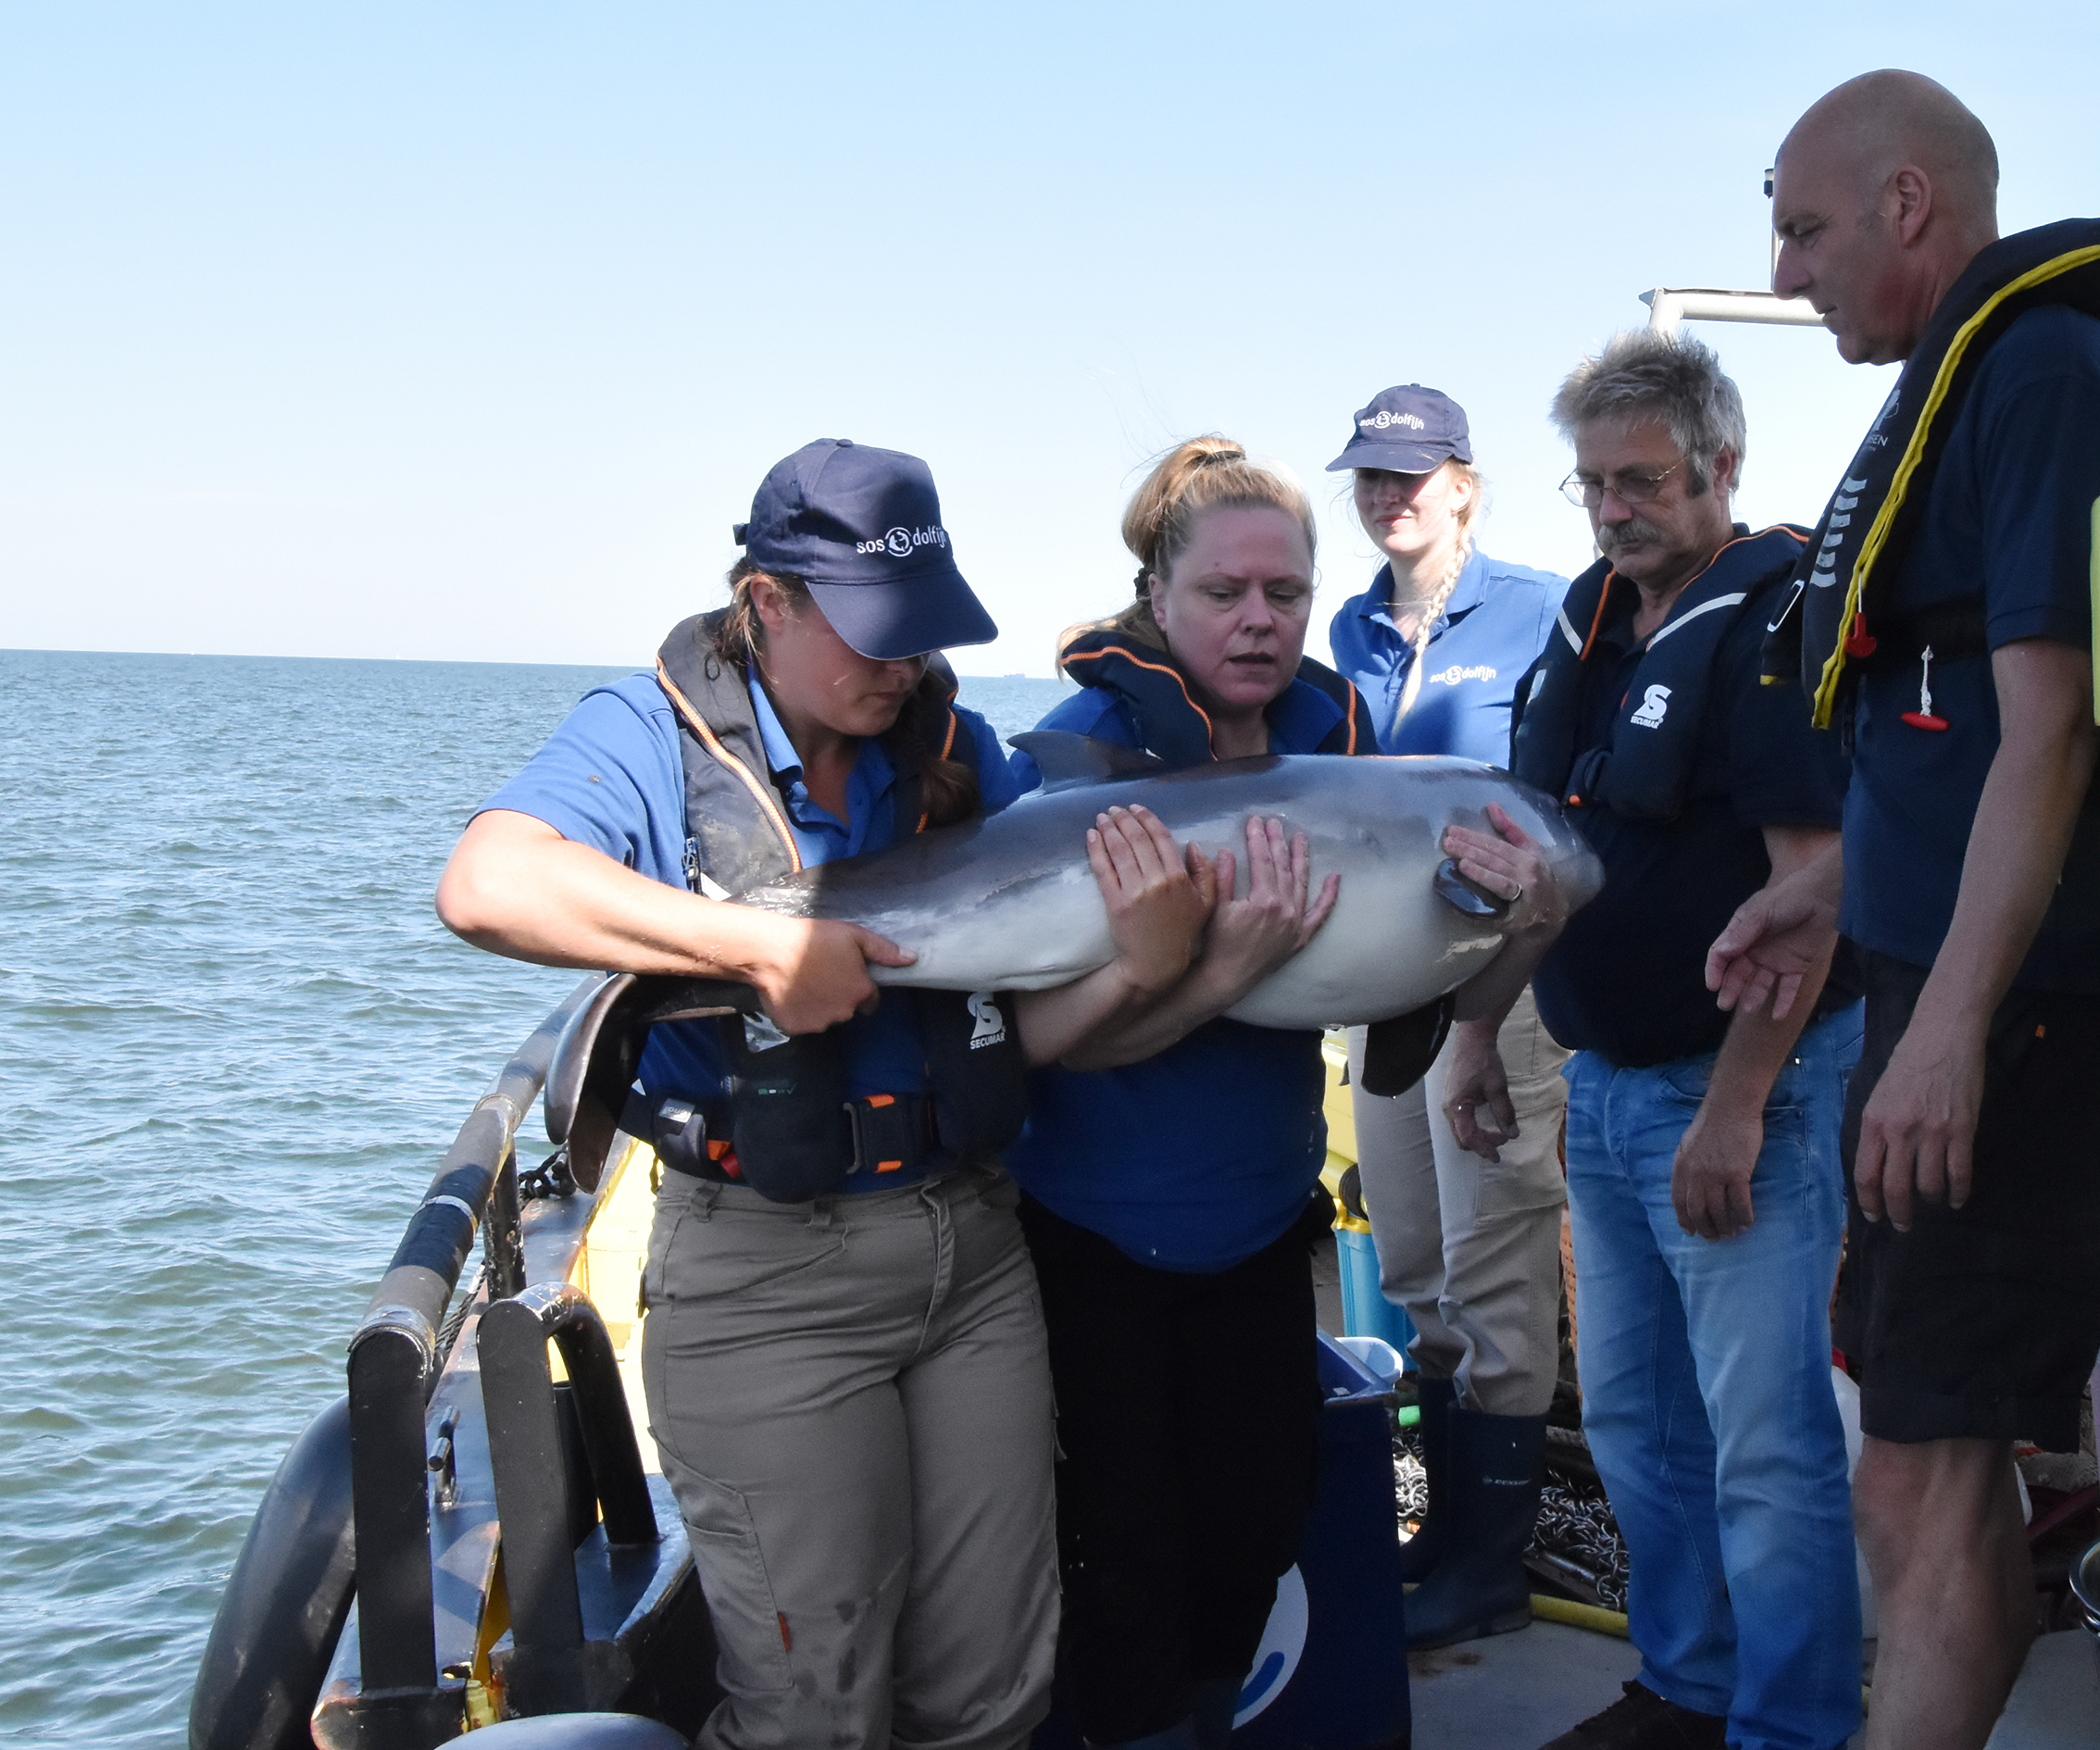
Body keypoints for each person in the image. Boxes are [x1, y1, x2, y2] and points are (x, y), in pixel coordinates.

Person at [434, 439, 1213, 1750]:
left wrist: (1151, 967)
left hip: (973, 1254)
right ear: (766, 600)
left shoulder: (960, 749)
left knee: (993, 1690)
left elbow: (1031, 1019)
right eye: (865, 632)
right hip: (767, 1274)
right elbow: (488, 883)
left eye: (918, 632)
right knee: (814, 1711)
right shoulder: (649, 733)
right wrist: (754, 946)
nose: (897, 665)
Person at [1724, 70, 2100, 1750]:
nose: (1785, 272)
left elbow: (2058, 726)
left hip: (2026, 1013)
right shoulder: (1968, 377)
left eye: (1803, 226)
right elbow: (1961, 732)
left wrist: (1949, 1033)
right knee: (1916, 1454)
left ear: (1910, 201)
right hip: (1953, 992)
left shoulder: (2044, 372)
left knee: (1922, 1472)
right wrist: (1829, 892)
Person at [1002, 436, 1571, 1750]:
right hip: (1092, 1221)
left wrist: (1510, 928)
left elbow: (1404, 995)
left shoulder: (1337, 732)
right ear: (1157, 593)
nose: (1261, 622)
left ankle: (1201, 1721)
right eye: (1224, 594)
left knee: (1258, 1519)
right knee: (1124, 1545)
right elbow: (1032, 1022)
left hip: (1259, 1214)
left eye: (1288, 594)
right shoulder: (1086, 749)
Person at [1442, 332, 1865, 1750]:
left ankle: (1794, 1723)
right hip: (1609, 1089)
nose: (1616, 509)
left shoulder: (1772, 623)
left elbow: (1811, 886)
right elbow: (1544, 862)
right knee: (1634, 1424)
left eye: (1644, 480)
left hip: (1746, 1090)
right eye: (1593, 485)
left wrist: (1737, 1106)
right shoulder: (1593, 627)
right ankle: (1689, 1687)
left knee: (1766, 1444)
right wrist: (1472, 1037)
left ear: (1720, 468)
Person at [1320, 383, 1575, 1649]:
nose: (1388, 495)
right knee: (1413, 1251)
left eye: (1411, 474)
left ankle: (1491, 1557)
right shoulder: (1351, 626)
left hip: (1501, 983)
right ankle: (1444, 1529)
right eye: (1369, 474)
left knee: (1497, 1255)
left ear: (1466, 482)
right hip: (1389, 985)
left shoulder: (1540, 610)